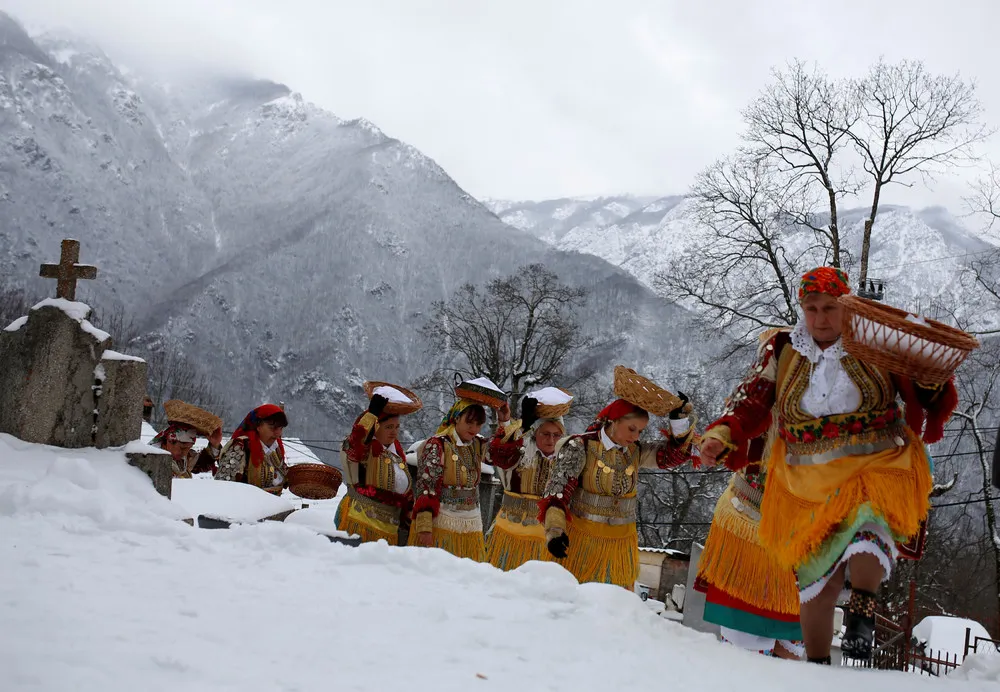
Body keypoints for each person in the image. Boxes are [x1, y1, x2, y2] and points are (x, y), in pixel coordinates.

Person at [699, 267, 958, 664]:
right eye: (812, 309)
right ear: (802, 310)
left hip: (875, 461)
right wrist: (721, 434)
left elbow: (922, 390)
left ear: (847, 307)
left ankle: (862, 610)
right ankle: (817, 666)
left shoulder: (876, 342)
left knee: (868, 519)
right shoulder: (784, 350)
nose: (820, 319)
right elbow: (751, 401)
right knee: (816, 579)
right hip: (807, 476)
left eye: (830, 308)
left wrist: (931, 380)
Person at [539, 378, 696, 590]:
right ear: (613, 421)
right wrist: (555, 533)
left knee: (614, 603)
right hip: (582, 545)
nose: (635, 436)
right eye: (631, 429)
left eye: (640, 431)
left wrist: (678, 422)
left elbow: (672, 456)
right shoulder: (580, 445)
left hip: (621, 547)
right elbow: (557, 493)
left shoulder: (636, 451)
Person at [409, 377, 519, 561]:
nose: (474, 428)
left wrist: (505, 421)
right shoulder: (437, 445)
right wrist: (424, 528)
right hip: (441, 522)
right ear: (457, 417)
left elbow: (504, 455)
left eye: (478, 424)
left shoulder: (477, 445)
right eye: (469, 422)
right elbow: (427, 488)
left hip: (471, 523)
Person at [485, 387, 572, 570]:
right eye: (545, 434)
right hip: (508, 533)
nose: (551, 440)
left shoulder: (566, 460)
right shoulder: (521, 451)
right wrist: (517, 424)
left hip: (544, 540)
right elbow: (497, 452)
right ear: (535, 432)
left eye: (556, 435)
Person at [337, 384, 420, 545]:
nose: (394, 432)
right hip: (363, 523)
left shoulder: (397, 454)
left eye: (397, 427)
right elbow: (355, 444)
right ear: (375, 427)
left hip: (390, 530)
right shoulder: (367, 450)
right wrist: (372, 414)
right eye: (388, 427)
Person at [215, 404, 290, 495]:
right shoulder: (240, 448)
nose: (278, 433)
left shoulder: (276, 449)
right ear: (258, 426)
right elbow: (223, 487)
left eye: (280, 428)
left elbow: (282, 475)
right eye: (272, 428)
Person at [150, 400, 223, 478]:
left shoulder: (183, 459)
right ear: (169, 441)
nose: (184, 453)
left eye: (188, 448)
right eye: (182, 448)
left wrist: (215, 445)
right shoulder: (152, 460)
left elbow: (201, 464)